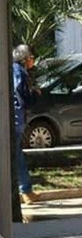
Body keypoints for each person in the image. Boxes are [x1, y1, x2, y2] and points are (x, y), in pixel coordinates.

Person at [12, 44, 39, 204]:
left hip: (14, 119)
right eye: (32, 58)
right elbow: (23, 97)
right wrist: (34, 94)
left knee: (17, 154)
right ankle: (26, 191)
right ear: (25, 58)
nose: (33, 62)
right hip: (16, 119)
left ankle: (26, 190)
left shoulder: (14, 70)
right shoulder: (19, 72)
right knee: (16, 155)